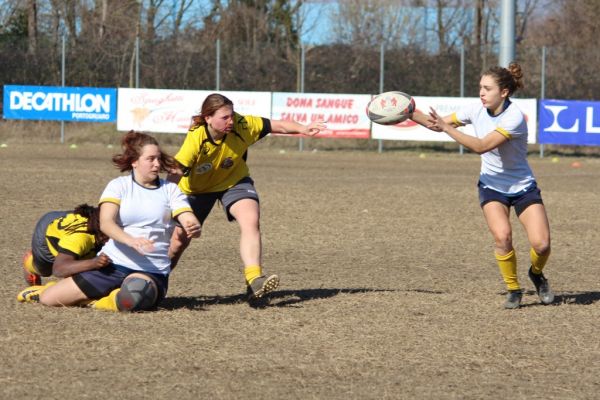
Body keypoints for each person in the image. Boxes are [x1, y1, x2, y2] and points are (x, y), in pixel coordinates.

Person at [409, 62, 554, 309]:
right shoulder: (475, 110)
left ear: (504, 92)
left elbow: (481, 146)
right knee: (502, 237)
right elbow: (436, 124)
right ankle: (513, 289)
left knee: (541, 244)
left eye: (487, 88)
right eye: (480, 88)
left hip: (522, 187)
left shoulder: (514, 117)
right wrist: (407, 112)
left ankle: (536, 274)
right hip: (492, 186)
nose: (481, 93)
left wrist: (446, 129)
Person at [17, 131, 201, 311]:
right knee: (48, 299)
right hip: (113, 264)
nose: (157, 164)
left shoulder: (170, 190)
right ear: (134, 162)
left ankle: (101, 301)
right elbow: (106, 223)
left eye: (158, 158)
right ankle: (49, 290)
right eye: (150, 159)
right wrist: (132, 241)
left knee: (133, 297)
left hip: (150, 271)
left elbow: (185, 214)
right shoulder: (118, 186)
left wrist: (191, 224)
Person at [167, 93, 326, 301]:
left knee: (251, 220)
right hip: (196, 190)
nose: (231, 121)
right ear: (208, 118)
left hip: (233, 181)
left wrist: (303, 128)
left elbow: (277, 126)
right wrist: (165, 201)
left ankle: (254, 280)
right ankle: (155, 281)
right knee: (178, 242)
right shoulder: (196, 138)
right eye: (224, 117)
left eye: (231, 115)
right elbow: (175, 173)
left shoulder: (242, 125)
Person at [21, 204, 111, 286]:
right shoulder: (80, 238)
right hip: (46, 234)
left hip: (69, 220)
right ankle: (29, 263)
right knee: (45, 270)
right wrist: (93, 263)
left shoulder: (103, 225)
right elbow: (59, 269)